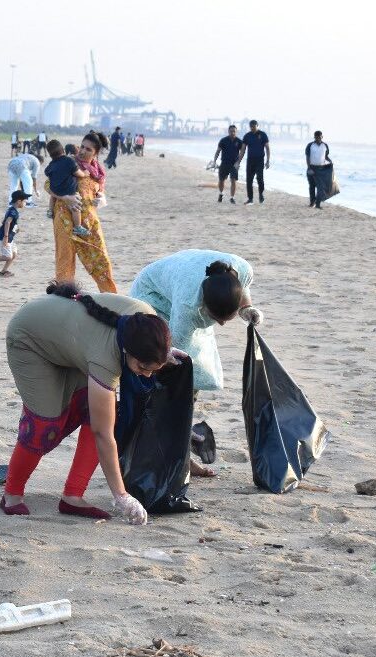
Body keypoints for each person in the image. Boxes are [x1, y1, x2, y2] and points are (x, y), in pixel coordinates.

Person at [0, 282, 178, 523]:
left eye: (153, 370)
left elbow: (149, 348)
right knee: (45, 425)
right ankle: (12, 493)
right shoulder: (106, 358)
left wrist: (163, 355)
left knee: (96, 412)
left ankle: (73, 496)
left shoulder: (147, 322)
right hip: (29, 340)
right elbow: (103, 434)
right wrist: (121, 495)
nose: (146, 375)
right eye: (142, 368)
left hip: (71, 340)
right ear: (127, 352)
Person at [130, 250, 261, 476]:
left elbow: (242, 288)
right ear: (203, 306)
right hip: (152, 297)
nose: (219, 325)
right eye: (216, 318)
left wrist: (247, 308)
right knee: (174, 371)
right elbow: (174, 355)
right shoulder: (188, 305)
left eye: (226, 319)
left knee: (196, 373)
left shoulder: (243, 270)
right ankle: (168, 451)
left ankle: (180, 447)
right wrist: (176, 407)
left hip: (186, 283)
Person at [50, 131, 116, 292]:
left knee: (101, 259)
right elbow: (48, 186)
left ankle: (110, 295)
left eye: (88, 149)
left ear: (96, 153)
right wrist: (65, 197)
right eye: (82, 147)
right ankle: (64, 296)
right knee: (65, 259)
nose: (83, 151)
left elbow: (99, 191)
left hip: (89, 221)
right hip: (64, 218)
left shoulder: (98, 173)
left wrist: (100, 198)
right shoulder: (68, 163)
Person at [45, 139, 90, 238]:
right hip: (69, 192)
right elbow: (78, 173)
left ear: (50, 154)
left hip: (55, 190)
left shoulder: (50, 165)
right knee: (75, 207)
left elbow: (47, 172)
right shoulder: (69, 161)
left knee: (52, 197)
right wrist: (85, 174)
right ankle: (78, 227)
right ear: (63, 150)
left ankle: (50, 211)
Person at [0, 189, 29, 277]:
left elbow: (5, 222)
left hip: (10, 237)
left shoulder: (12, 210)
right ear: (19, 201)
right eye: (24, 201)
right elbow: (7, 222)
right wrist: (6, 236)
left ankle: (4, 271)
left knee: (14, 254)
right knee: (8, 256)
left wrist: (15, 229)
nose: (25, 203)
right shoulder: (13, 212)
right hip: (5, 237)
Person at [212, 125, 245, 204]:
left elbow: (242, 152)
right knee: (221, 180)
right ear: (228, 131)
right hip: (224, 163)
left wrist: (238, 162)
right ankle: (221, 193)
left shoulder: (239, 141)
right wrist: (214, 161)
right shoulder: (223, 140)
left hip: (234, 164)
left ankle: (232, 198)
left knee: (233, 180)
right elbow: (218, 151)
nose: (232, 133)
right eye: (231, 131)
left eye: (234, 131)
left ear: (236, 132)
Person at [241, 121, 270, 205]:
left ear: (257, 126)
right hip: (250, 161)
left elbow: (267, 148)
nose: (252, 128)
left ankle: (261, 194)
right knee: (249, 180)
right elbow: (243, 149)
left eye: (254, 126)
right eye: (251, 126)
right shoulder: (247, 136)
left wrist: (268, 161)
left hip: (260, 160)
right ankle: (250, 199)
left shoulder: (263, 134)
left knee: (259, 178)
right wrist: (238, 161)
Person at [306, 130, 333, 209]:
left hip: (322, 169)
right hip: (312, 167)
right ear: (314, 137)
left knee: (320, 187)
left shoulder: (325, 146)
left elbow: (326, 156)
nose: (318, 138)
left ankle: (317, 204)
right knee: (312, 186)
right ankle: (312, 202)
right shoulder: (310, 145)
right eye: (316, 137)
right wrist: (309, 168)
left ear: (322, 137)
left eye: (319, 137)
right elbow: (307, 157)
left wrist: (330, 161)